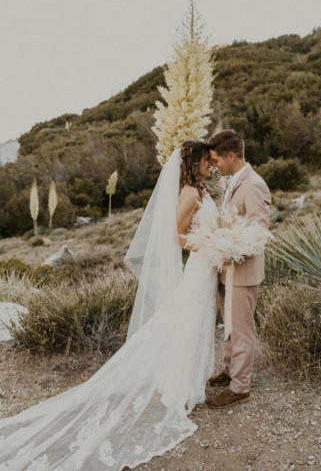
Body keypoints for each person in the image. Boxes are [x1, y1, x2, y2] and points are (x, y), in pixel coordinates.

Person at [0, 141, 219, 471]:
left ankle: (188, 384)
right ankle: (179, 389)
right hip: (201, 265)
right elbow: (176, 235)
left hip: (206, 268)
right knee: (187, 324)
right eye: (205, 161)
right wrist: (210, 243)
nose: (209, 165)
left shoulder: (201, 189)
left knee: (194, 324)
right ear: (192, 163)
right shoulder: (189, 192)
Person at [205, 129, 271, 409]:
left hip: (242, 270)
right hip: (227, 268)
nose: (214, 165)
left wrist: (230, 247)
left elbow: (259, 231)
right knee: (229, 324)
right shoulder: (233, 181)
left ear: (231, 155)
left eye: (216, 159)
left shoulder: (254, 184)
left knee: (242, 328)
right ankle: (231, 369)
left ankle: (240, 387)